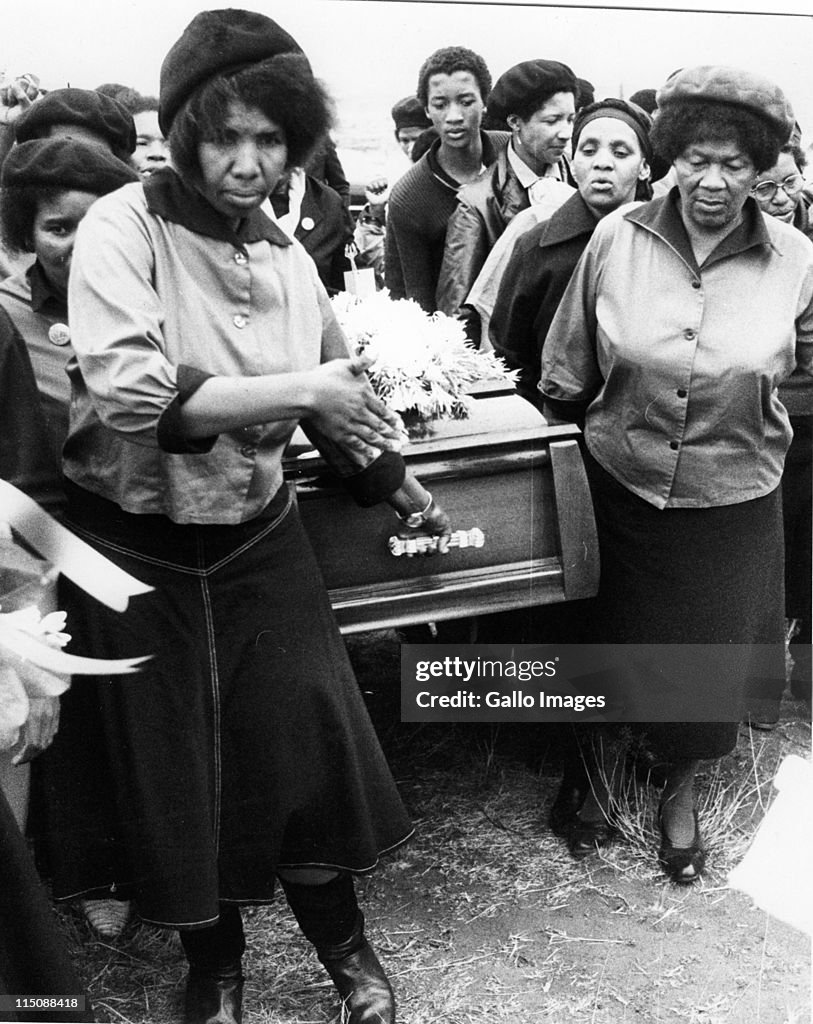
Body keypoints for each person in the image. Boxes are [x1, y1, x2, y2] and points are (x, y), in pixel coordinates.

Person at [38, 11, 451, 1024]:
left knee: (298, 752)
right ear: (181, 131)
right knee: (176, 771)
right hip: (136, 549)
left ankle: (346, 954)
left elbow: (337, 399)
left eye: (271, 139)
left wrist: (395, 481)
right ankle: (212, 967)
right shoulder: (121, 227)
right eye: (226, 136)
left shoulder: (284, 258)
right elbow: (133, 391)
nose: (249, 162)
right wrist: (302, 392)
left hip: (260, 541)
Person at [538, 66, 811, 883]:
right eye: (695, 158)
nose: (713, 181)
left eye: (734, 163)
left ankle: (680, 786)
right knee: (607, 640)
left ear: (761, 166)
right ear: (669, 156)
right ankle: (593, 764)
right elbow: (564, 369)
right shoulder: (615, 237)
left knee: (701, 661)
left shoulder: (795, 258)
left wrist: (761, 408)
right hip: (618, 481)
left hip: (731, 496)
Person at [490, 98, 652, 405]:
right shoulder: (535, 247)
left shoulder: (663, 247)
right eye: (588, 151)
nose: (602, 163)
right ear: (573, 163)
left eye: (621, 152)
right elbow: (510, 354)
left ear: (644, 167)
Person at [436, 59, 578, 339]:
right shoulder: (476, 203)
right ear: (515, 122)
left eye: (571, 119)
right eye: (551, 121)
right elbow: (457, 318)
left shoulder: (580, 174)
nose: (566, 133)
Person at [752, 143, 813, 705]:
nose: (783, 199)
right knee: (769, 557)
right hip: (769, 423)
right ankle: (764, 688)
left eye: (791, 183)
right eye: (766, 189)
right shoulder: (745, 249)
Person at [385, 45, 507, 311]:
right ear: (427, 110)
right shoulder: (409, 196)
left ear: (484, 102)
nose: (454, 117)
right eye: (440, 104)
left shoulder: (510, 154)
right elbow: (415, 299)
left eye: (466, 102)